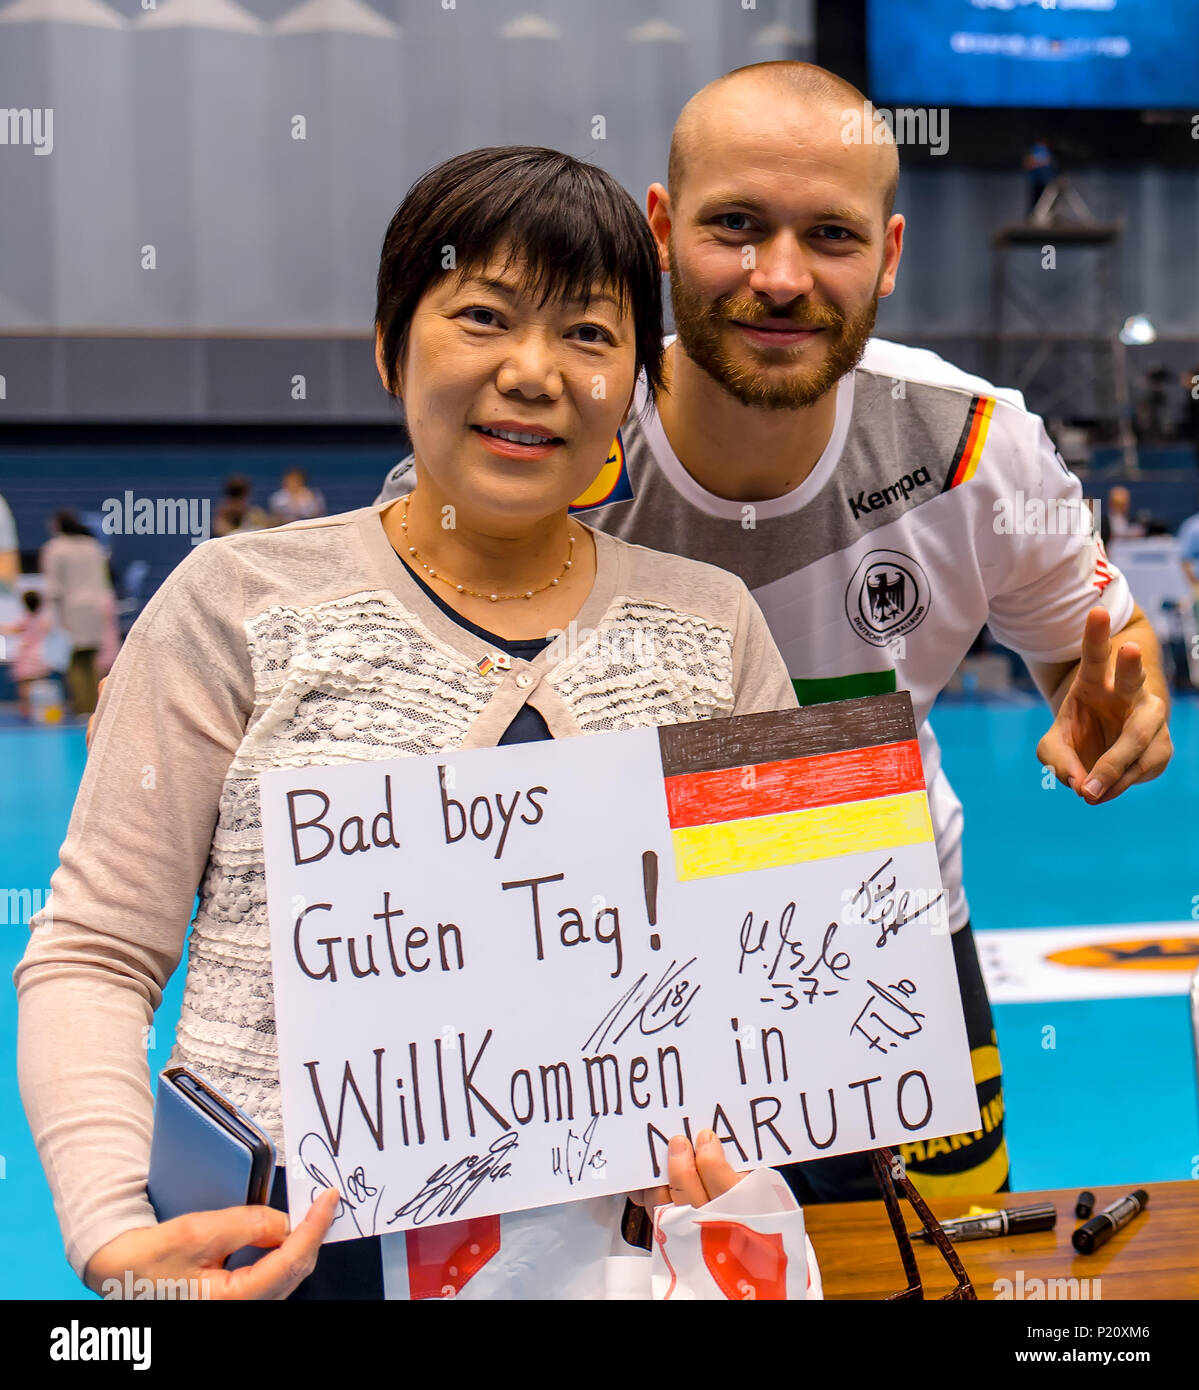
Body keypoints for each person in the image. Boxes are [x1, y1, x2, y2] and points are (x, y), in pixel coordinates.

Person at [380, 63, 1173, 1205]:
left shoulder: (976, 447)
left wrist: (1116, 702)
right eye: (737, 226)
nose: (782, 277)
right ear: (661, 229)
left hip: (886, 951)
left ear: (891, 255)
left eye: (832, 236)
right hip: (591, 973)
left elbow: (1091, 650)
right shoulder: (532, 445)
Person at [16, 146, 796, 1302]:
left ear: (634, 382)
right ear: (391, 344)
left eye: (589, 333)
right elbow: (95, 949)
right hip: (278, 1259)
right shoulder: (237, 602)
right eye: (483, 315)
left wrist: (729, 1151)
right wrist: (110, 1223)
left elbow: (772, 967)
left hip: (617, 1256)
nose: (533, 372)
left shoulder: (712, 624)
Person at [39, 510, 113, 716]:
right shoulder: (92, 546)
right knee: (91, 659)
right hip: (96, 607)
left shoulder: (55, 549)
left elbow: (54, 586)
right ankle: (95, 706)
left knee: (74, 661)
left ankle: (82, 707)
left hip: (71, 609)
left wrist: (52, 616)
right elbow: (103, 581)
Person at [6, 589, 53, 719]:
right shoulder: (43, 620)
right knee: (40, 682)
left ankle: (27, 708)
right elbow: (48, 630)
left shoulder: (25, 620)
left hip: (26, 654)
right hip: (39, 654)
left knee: (24, 684)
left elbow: (12, 629)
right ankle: (41, 707)